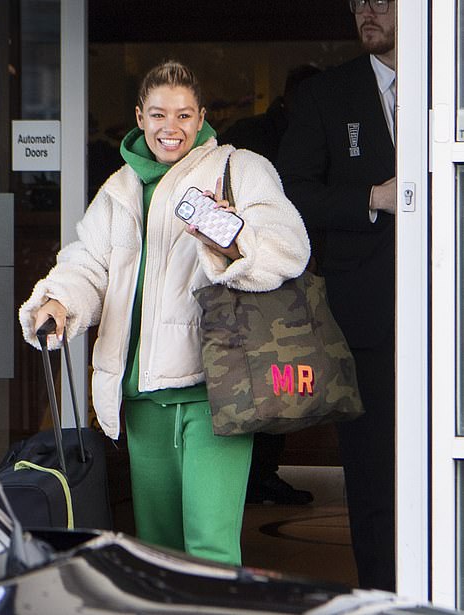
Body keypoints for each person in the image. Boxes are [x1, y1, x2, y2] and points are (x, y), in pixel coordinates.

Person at [20, 60, 310, 567]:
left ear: (201, 118)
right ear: (139, 116)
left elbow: (288, 248)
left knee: (210, 549)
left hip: (216, 389)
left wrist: (224, 231)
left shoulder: (239, 168)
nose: (170, 128)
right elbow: (87, 262)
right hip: (141, 394)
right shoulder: (119, 188)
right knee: (158, 553)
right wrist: (59, 302)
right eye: (158, 114)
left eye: (182, 115)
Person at [276, 0, 396, 591]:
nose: (367, 11)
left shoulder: (451, 79)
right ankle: (381, 596)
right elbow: (291, 195)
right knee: (373, 476)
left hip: (447, 317)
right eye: (358, 2)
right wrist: (371, 198)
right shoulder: (329, 94)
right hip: (364, 321)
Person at [222, 64, 322, 507]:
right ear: (288, 97)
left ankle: (263, 473)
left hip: (291, 264)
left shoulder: (297, 130)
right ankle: (254, 475)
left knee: (281, 379)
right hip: (246, 272)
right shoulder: (253, 141)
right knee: (258, 377)